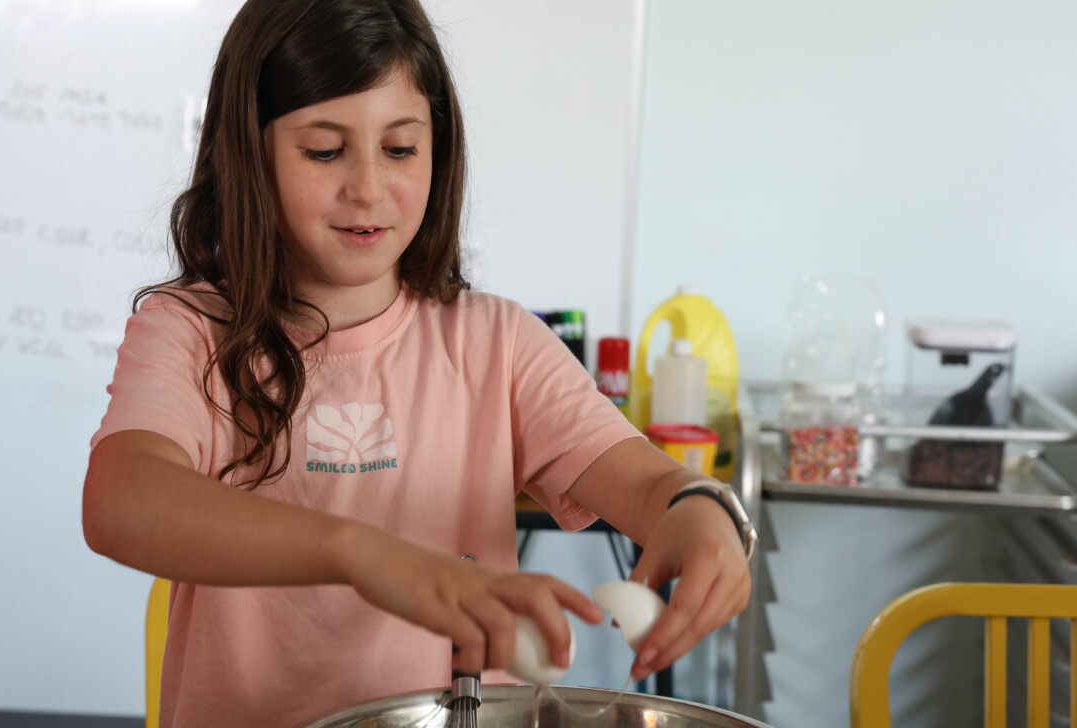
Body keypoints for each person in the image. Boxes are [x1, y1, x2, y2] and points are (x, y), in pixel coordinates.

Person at [81, 0, 753, 725]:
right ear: (249, 152)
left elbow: (648, 482)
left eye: (399, 149)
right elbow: (121, 500)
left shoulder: (496, 343)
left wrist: (700, 509)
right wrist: (364, 555)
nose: (368, 187)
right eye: (324, 151)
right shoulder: (191, 333)